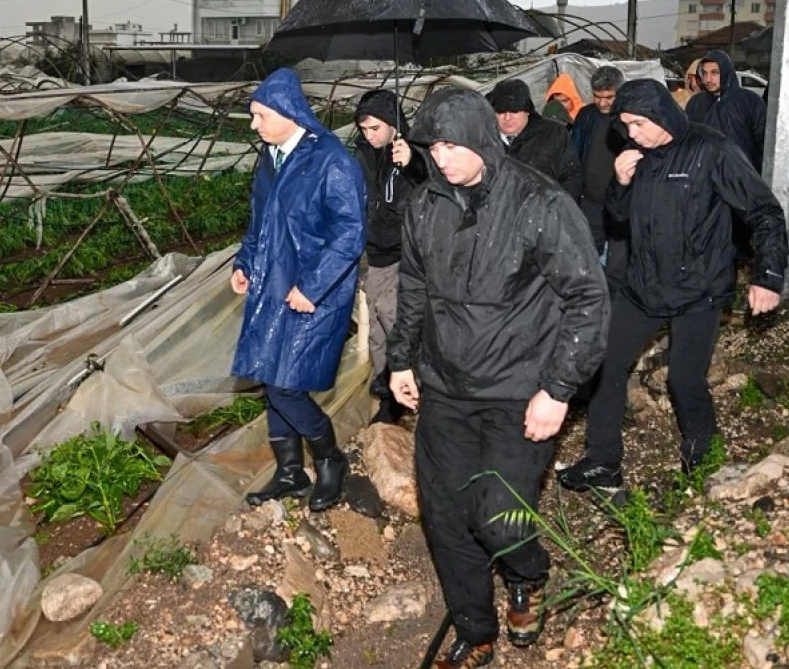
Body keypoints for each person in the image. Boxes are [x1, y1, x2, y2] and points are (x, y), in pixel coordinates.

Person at [387, 88, 609, 668]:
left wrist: (557, 389)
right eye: (433, 147)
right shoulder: (424, 205)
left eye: (452, 145)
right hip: (445, 385)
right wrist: (401, 358)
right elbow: (414, 287)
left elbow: (587, 298)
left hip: (519, 387)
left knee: (498, 516)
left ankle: (527, 574)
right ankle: (475, 629)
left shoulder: (540, 202)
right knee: (445, 515)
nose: (441, 158)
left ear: (482, 140)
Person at [556, 78, 786, 491]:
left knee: (684, 379)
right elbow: (618, 220)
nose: (632, 134)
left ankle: (703, 457)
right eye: (626, 125)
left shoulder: (711, 150)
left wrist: (767, 276)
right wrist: (620, 184)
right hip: (644, 284)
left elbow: (764, 211)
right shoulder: (636, 155)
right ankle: (602, 460)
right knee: (604, 364)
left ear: (661, 115)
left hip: (700, 287)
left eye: (638, 124)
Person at [231, 68, 366, 512]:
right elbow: (259, 224)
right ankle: (289, 471)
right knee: (271, 377)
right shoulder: (270, 159)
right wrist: (244, 263)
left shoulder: (332, 161)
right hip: (272, 285)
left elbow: (349, 233)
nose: (255, 125)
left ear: (289, 113)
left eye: (261, 116)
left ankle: (330, 459)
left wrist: (312, 286)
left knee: (286, 385)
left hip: (312, 294)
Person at [353, 89, 427, 423]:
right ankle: (389, 392)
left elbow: (432, 184)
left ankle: (411, 390)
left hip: (405, 254)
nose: (369, 136)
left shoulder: (412, 151)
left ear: (393, 124)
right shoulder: (363, 155)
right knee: (377, 327)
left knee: (396, 319)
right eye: (363, 129)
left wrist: (412, 163)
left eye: (375, 128)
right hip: (375, 254)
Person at [487, 78, 582, 201]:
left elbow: (572, 177)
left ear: (527, 111)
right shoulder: (483, 138)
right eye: (501, 112)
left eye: (514, 111)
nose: (507, 118)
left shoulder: (554, 134)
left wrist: (557, 209)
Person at [573, 66, 626, 263]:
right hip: (589, 204)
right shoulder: (586, 116)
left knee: (616, 263)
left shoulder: (630, 119)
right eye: (597, 96)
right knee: (588, 260)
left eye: (609, 97)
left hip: (620, 206)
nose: (602, 103)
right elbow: (574, 154)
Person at [685, 50, 768, 172]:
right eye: (704, 73)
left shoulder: (750, 102)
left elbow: (764, 142)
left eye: (715, 73)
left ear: (726, 72)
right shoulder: (696, 103)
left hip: (741, 175)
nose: (708, 79)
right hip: (705, 176)